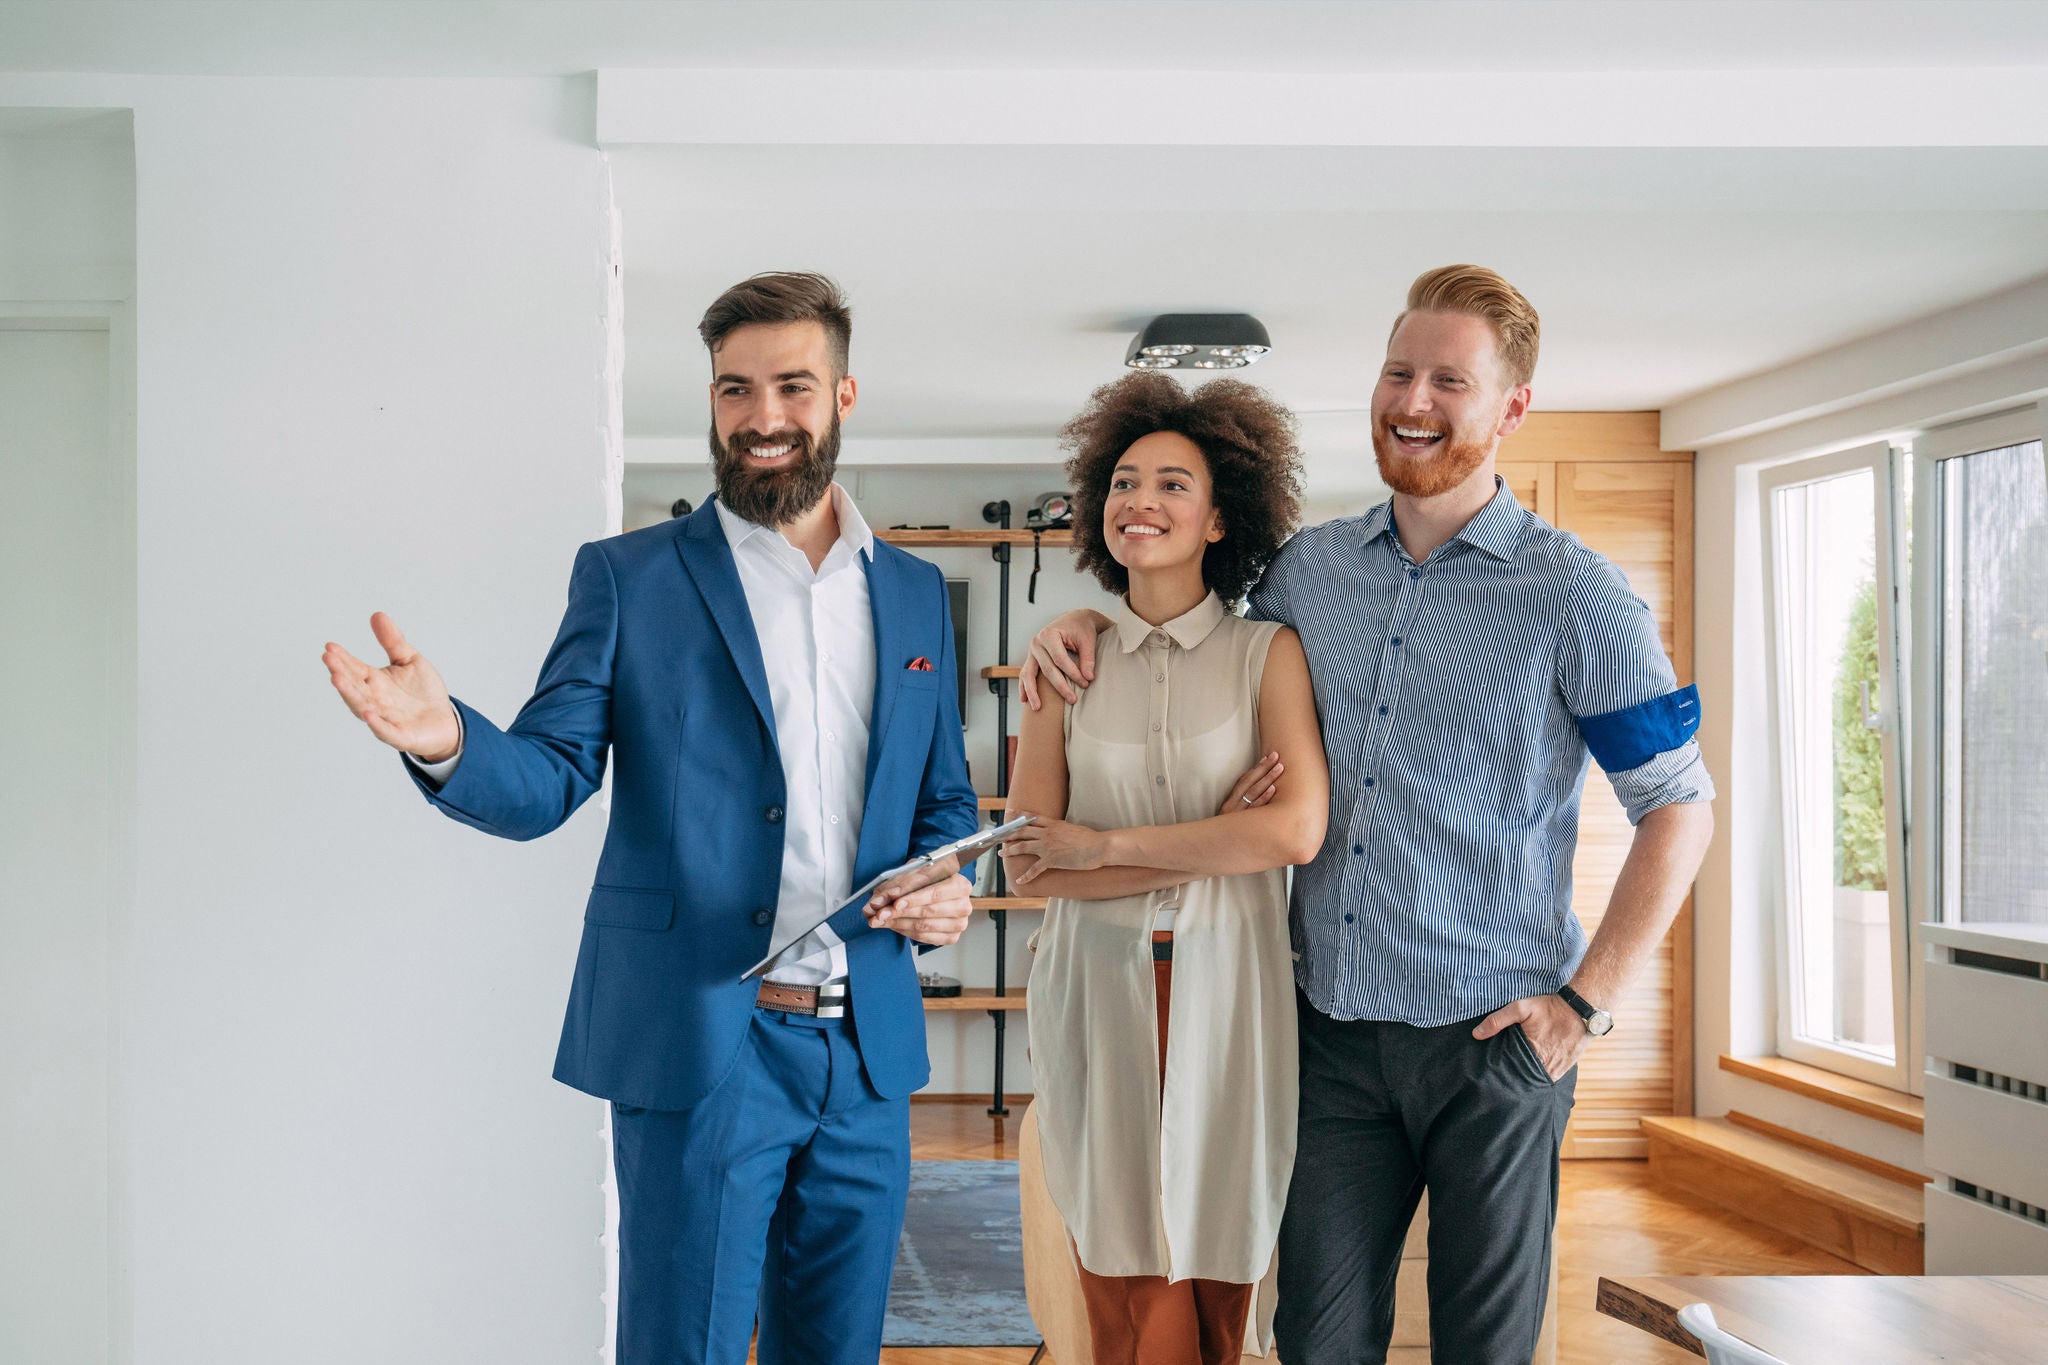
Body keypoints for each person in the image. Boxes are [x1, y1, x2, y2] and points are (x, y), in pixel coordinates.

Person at [1022, 265, 1716, 1365]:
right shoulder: (1308, 574)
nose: (1414, 400)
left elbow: (1676, 806)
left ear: (1510, 408)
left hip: (1491, 1042)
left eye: (1450, 379)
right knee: (1316, 1343)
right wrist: (1077, 626)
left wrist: (1582, 1006)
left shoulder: (1577, 597)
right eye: (1399, 370)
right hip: (1327, 1036)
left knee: (1480, 1350)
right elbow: (1180, 630)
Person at [321, 272, 981, 1365]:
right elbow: (547, 774)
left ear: (844, 397)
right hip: (705, 1041)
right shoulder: (631, 579)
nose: (761, 418)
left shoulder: (910, 593)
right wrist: (444, 739)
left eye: (791, 387)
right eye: (733, 390)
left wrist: (946, 882)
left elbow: (941, 799)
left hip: (866, 1050)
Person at [1002, 372, 1330, 1365]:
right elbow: (1026, 862)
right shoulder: (1065, 665)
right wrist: (1204, 843)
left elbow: (1292, 833)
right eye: (1123, 482)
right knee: (1113, 1238)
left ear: (1220, 517)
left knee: (1216, 1231)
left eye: (1172, 485)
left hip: (1229, 984)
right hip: (1093, 985)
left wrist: (1102, 848)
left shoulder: (1265, 654)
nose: (1139, 502)